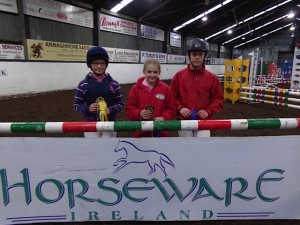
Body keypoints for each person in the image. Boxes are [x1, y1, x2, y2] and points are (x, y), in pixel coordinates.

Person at [170, 38, 223, 137]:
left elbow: (218, 99)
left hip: (204, 122)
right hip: (184, 121)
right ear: (189, 56)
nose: (197, 57)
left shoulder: (212, 78)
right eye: (194, 54)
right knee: (185, 149)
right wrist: (180, 108)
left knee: (202, 149)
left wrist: (208, 111)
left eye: (200, 55)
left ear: (204, 56)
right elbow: (172, 96)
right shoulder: (178, 76)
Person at [74, 46, 124, 138]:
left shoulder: (114, 84)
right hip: (90, 125)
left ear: (106, 64)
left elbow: (120, 104)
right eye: (95, 63)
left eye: (102, 63)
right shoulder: (82, 85)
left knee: (109, 149)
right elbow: (77, 105)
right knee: (92, 150)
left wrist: (110, 109)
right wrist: (88, 108)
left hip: (110, 124)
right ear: (90, 65)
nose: (99, 66)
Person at [126, 59, 176, 137]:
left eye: (155, 72)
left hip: (161, 132)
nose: (152, 75)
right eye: (149, 72)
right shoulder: (135, 89)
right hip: (141, 133)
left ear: (159, 73)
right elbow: (129, 109)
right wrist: (139, 114)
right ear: (144, 72)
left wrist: (163, 118)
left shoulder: (166, 89)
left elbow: (172, 108)